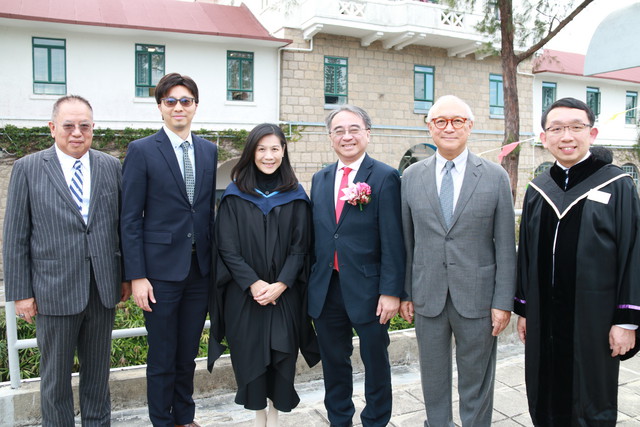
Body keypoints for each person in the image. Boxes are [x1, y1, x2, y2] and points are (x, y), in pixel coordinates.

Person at [3, 95, 131, 425]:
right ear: (52, 128)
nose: (77, 132)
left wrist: (125, 276)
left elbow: (121, 227)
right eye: (69, 125)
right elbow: (15, 235)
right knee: (55, 380)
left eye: (84, 126)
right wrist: (21, 293)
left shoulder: (110, 166)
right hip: (52, 292)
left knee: (98, 376)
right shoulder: (28, 168)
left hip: (101, 289)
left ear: (93, 128)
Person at [515, 97, 640, 426]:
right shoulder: (538, 189)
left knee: (591, 396)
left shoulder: (617, 185)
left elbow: (633, 252)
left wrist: (627, 321)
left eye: (575, 127)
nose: (566, 136)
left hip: (594, 318)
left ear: (592, 133)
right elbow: (526, 252)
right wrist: (525, 310)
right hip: (543, 316)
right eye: (556, 129)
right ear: (544, 138)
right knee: (543, 390)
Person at [400, 95, 516, 426]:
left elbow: (506, 245)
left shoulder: (494, 176)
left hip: (478, 298)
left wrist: (502, 301)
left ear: (470, 126)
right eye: (440, 121)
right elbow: (407, 242)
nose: (448, 128)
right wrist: (406, 292)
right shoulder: (411, 177)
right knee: (433, 377)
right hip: (428, 296)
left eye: (457, 121)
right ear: (430, 127)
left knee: (477, 380)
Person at [120, 73, 218, 427]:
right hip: (159, 274)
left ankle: (185, 418)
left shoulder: (208, 150)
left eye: (185, 101)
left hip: (199, 271)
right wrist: (137, 275)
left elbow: (205, 212)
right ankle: (162, 420)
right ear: (160, 107)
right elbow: (130, 219)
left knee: (187, 353)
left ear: (195, 106)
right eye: (171, 101)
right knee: (162, 355)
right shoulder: (142, 150)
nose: (179, 107)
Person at [208, 123, 320, 427]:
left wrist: (281, 284)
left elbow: (301, 246)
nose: (268, 156)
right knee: (251, 360)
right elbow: (226, 248)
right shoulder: (234, 195)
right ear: (251, 152)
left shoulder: (295, 195)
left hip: (284, 297)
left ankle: (275, 419)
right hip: (246, 297)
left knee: (283, 360)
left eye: (274, 149)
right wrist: (254, 284)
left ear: (284, 151)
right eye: (261, 149)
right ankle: (259, 420)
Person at [308, 105, 406, 427]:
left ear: (367, 133)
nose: (346, 136)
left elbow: (393, 239)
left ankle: (375, 421)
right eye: (339, 131)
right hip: (327, 289)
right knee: (334, 364)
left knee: (375, 363)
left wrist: (391, 291)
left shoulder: (385, 176)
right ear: (330, 137)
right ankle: (340, 421)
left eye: (354, 129)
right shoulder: (320, 178)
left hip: (370, 290)